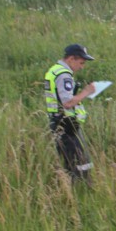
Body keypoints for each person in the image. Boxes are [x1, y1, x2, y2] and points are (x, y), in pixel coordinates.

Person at [44, 44, 97, 183]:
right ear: (71, 59)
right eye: (81, 63)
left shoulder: (54, 70)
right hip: (66, 123)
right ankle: (81, 189)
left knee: (69, 161)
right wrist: (86, 92)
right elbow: (67, 103)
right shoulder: (64, 75)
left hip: (57, 121)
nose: (82, 67)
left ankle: (72, 188)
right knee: (79, 161)